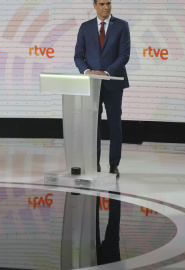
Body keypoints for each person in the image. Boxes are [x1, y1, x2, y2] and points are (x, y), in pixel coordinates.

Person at [74, 0, 130, 179]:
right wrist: (88, 71)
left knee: (115, 124)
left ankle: (114, 164)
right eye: (102, 4)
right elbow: (78, 56)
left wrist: (106, 72)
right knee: (93, 125)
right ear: (95, 6)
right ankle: (94, 162)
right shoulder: (85, 27)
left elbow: (124, 56)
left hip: (113, 83)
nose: (106, 7)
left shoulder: (121, 26)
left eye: (108, 3)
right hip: (92, 84)